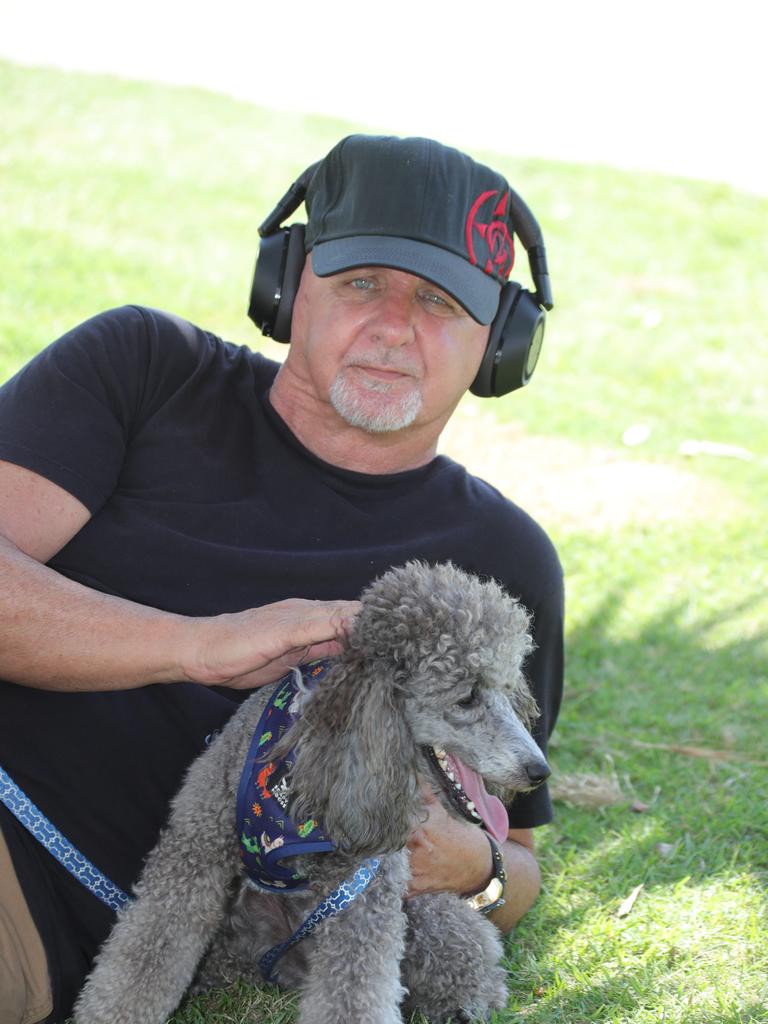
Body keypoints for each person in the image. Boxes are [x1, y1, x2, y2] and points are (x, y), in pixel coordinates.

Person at [0, 133, 563, 1024]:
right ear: (287, 284)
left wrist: (478, 870)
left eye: (439, 301)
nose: (392, 326)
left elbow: (518, 854)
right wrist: (198, 646)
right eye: (361, 284)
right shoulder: (142, 370)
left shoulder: (500, 562)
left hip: (57, 924)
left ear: (501, 343)